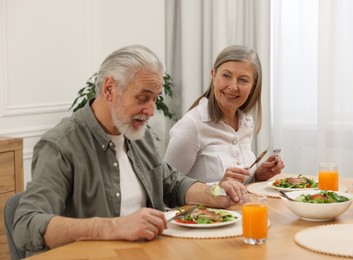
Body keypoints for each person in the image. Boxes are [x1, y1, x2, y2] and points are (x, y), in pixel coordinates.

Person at [13, 45, 246, 255]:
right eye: (143, 98)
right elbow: (26, 225)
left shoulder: (136, 135)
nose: (151, 110)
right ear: (109, 88)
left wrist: (216, 193)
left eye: (155, 99)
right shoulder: (60, 146)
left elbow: (172, 183)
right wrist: (113, 226)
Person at [164, 45, 284, 184]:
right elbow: (167, 188)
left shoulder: (246, 122)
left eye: (243, 80)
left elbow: (239, 185)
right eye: (226, 76)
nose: (233, 87)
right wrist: (218, 187)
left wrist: (257, 176)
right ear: (214, 75)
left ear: (253, 86)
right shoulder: (191, 125)